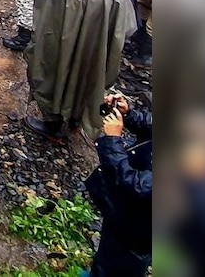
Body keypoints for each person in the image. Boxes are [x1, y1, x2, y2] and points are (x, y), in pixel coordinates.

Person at [24, 0, 136, 139]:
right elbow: (127, 29)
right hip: (94, 51)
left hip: (58, 42)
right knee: (87, 79)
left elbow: (41, 8)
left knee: (52, 74)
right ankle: (75, 121)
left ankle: (53, 123)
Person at [84, 94, 152, 276]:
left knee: (119, 265)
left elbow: (134, 185)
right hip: (125, 214)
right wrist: (128, 113)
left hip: (140, 231)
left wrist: (113, 141)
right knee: (107, 250)